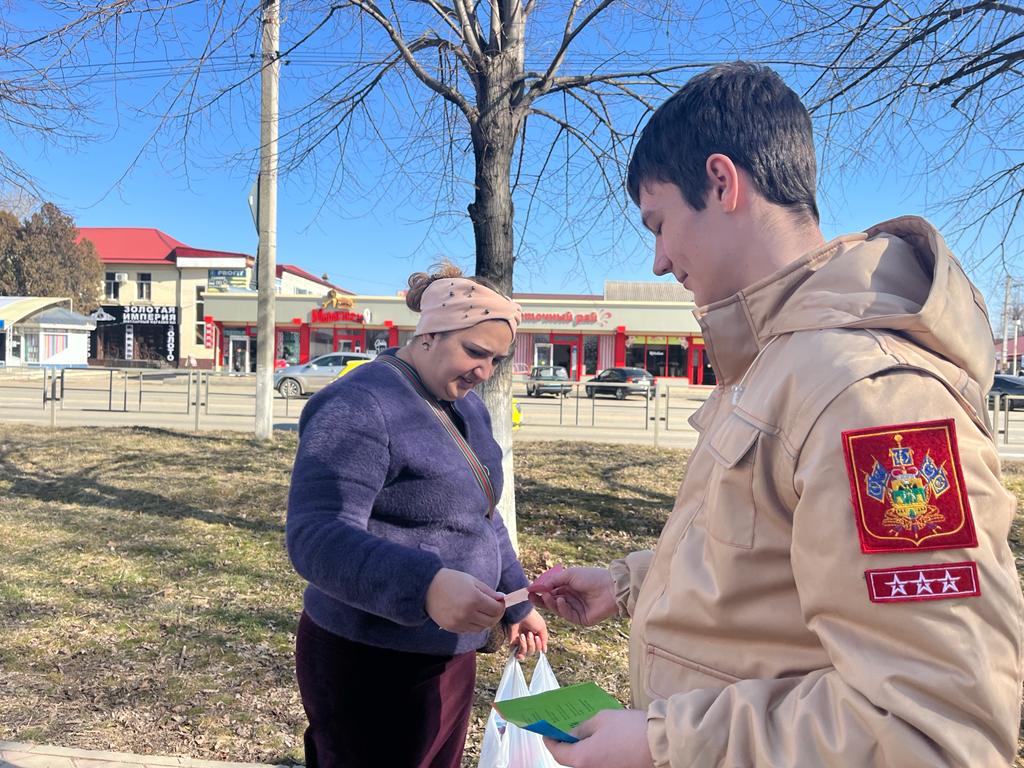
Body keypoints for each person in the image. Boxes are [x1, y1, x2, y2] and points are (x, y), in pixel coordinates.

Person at [530, 62, 1024, 768]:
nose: (660, 260)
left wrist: (662, 743)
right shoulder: (776, 363)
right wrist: (630, 582)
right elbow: (767, 558)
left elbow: (936, 733)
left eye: (660, 224)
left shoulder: (869, 395)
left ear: (722, 183)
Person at [286, 262, 548, 768]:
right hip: (368, 658)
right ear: (429, 335)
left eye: (495, 360)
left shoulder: (466, 406)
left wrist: (516, 600)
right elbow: (316, 535)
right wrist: (425, 585)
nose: (484, 372)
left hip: (449, 653)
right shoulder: (358, 405)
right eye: (475, 352)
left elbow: (483, 514)